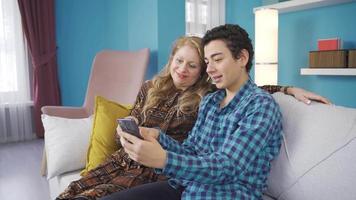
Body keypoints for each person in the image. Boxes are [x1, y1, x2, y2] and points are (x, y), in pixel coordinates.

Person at [58, 35, 329, 200]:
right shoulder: (150, 87)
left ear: (202, 71)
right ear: (171, 60)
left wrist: (287, 89)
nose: (183, 70)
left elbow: (244, 87)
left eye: (192, 65)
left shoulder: (207, 95)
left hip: (157, 169)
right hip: (125, 159)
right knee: (74, 191)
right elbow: (133, 118)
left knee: (94, 196)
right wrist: (125, 132)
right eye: (179, 61)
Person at [101, 24, 297, 200]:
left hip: (226, 193)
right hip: (185, 186)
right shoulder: (211, 101)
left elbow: (227, 167)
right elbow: (191, 151)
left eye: (217, 60)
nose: (210, 69)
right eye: (207, 61)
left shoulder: (261, 107)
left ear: (242, 58)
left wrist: (164, 159)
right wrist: (157, 137)